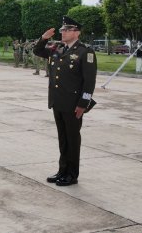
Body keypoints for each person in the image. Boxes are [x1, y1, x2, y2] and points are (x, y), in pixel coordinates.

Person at [33, 16, 97, 186]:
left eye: (67, 30)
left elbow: (89, 82)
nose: (63, 32)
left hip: (73, 104)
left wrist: (83, 104)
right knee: (63, 139)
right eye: (62, 30)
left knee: (72, 139)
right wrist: (44, 38)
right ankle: (62, 170)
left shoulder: (85, 52)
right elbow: (37, 51)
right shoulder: (58, 48)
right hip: (57, 101)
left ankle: (72, 174)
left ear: (77, 32)